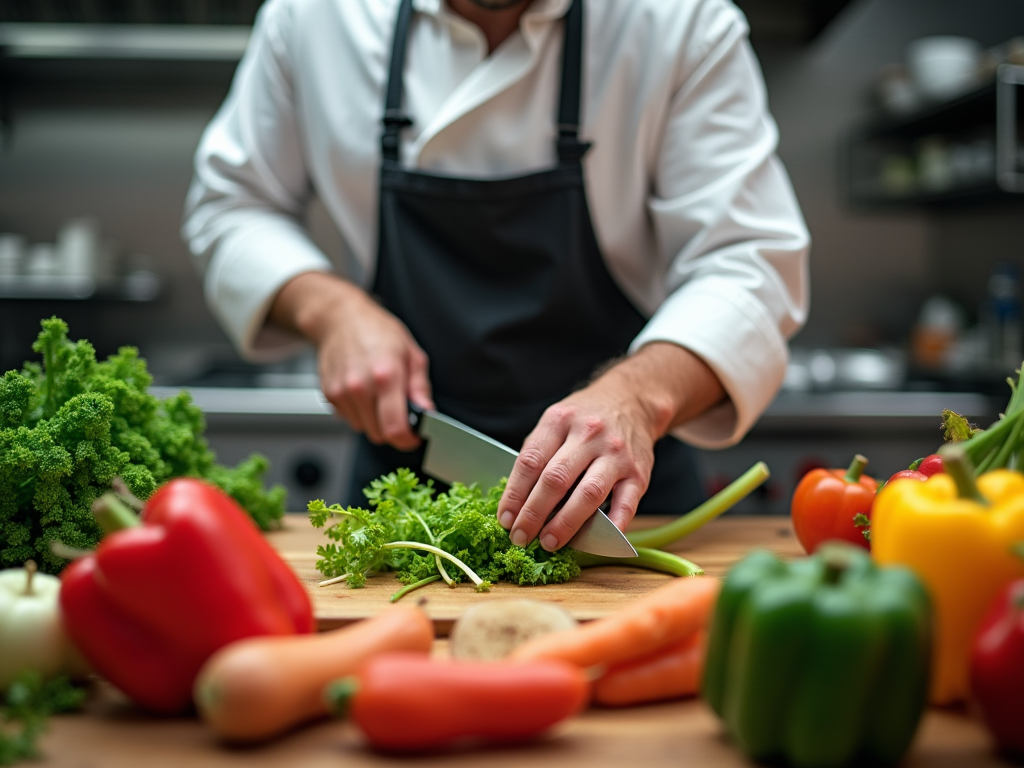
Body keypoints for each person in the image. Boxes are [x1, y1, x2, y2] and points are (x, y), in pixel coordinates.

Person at [182, 0, 809, 553]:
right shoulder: (312, 17)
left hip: (619, 501)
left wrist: (637, 398)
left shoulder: (682, 21)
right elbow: (232, 206)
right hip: (402, 493)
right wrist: (331, 309)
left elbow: (750, 260)